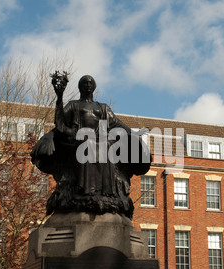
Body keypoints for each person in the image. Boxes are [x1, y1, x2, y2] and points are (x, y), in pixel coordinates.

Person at [31, 74, 151, 219]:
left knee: (107, 145)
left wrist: (135, 134)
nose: (88, 85)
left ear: (94, 87)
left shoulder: (103, 108)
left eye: (90, 83)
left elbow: (118, 124)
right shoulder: (74, 105)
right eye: (84, 83)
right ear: (80, 87)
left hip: (101, 139)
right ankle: (85, 190)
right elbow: (60, 121)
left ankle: (107, 192)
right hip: (79, 139)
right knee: (88, 145)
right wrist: (59, 97)